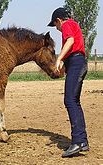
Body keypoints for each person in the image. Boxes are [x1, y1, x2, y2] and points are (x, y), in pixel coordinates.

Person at [48, 7, 89, 158]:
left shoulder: (67, 24)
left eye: (55, 25)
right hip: (76, 62)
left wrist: (59, 58)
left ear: (58, 20)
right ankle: (82, 141)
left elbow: (71, 42)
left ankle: (77, 141)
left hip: (77, 62)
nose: (57, 29)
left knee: (70, 100)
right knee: (74, 101)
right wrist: (64, 66)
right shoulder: (72, 25)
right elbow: (73, 50)